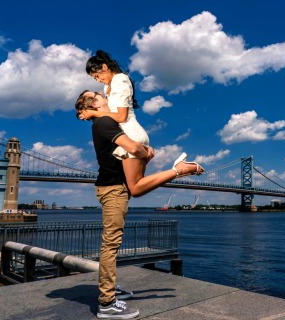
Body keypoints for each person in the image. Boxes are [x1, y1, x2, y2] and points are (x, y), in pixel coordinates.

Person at [75, 91, 203, 319]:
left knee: (114, 238)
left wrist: (145, 155)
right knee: (110, 245)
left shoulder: (106, 122)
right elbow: (134, 150)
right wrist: (143, 151)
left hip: (118, 187)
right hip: (113, 189)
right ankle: (106, 303)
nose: (104, 95)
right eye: (98, 95)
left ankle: (111, 291)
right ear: (94, 103)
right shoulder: (104, 122)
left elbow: (135, 165)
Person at [79, 50, 202, 197]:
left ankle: (179, 169)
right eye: (94, 78)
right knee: (138, 184)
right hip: (129, 134)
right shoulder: (108, 87)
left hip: (131, 134)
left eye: (97, 76)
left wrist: (93, 113)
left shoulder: (120, 80)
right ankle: (177, 170)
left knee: (135, 189)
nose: (98, 80)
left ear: (104, 67)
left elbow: (122, 116)